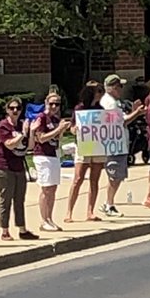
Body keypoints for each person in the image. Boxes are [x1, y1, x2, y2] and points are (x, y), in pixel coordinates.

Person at [0, 97, 37, 241]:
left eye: (18, 108)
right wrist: (22, 133)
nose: (15, 111)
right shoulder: (4, 126)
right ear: (7, 110)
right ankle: (5, 230)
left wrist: (32, 132)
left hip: (18, 166)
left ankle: (22, 229)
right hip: (3, 166)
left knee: (19, 199)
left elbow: (30, 147)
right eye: (12, 108)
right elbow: (9, 144)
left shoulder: (23, 125)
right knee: (6, 198)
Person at [99, 75, 146, 217]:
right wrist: (136, 113)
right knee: (115, 175)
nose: (121, 89)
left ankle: (109, 202)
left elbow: (121, 119)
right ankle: (109, 204)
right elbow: (120, 123)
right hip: (114, 144)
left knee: (117, 176)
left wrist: (132, 111)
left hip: (119, 143)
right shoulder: (109, 103)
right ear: (113, 87)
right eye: (120, 86)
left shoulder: (114, 102)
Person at [30, 90, 72, 231]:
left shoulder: (55, 120)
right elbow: (41, 138)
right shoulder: (41, 118)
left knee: (53, 188)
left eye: (57, 104)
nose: (54, 106)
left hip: (54, 155)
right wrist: (58, 129)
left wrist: (61, 130)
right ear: (46, 104)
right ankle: (43, 220)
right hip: (42, 156)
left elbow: (56, 139)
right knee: (46, 188)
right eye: (52, 103)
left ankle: (50, 218)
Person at [65, 81, 105, 223]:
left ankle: (90, 211)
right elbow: (72, 125)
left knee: (94, 180)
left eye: (102, 90)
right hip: (84, 145)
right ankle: (69, 212)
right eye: (99, 91)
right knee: (78, 179)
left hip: (98, 145)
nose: (101, 93)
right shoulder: (80, 108)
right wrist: (74, 129)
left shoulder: (102, 109)